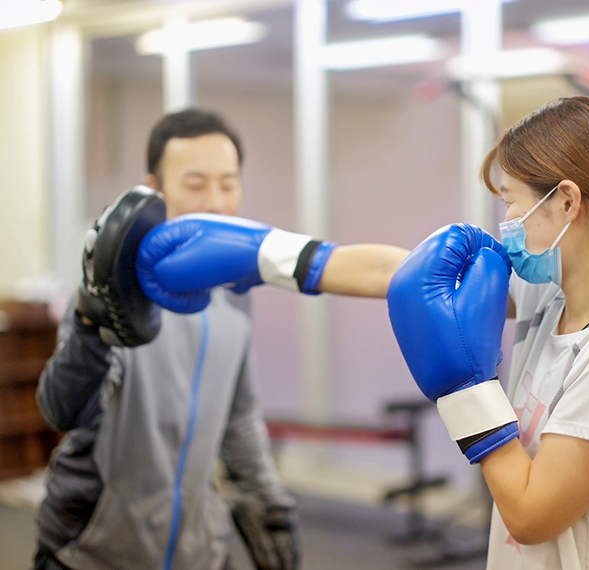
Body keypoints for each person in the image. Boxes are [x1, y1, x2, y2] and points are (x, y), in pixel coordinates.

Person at [35, 109, 408, 570]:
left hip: (198, 550)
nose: (216, 201)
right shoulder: (114, 283)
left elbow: (240, 412)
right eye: (195, 184)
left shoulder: (234, 289)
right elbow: (64, 410)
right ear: (155, 189)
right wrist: (93, 322)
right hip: (92, 551)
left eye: (228, 182)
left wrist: (270, 503)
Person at [386, 96, 589, 569]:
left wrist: (467, 393)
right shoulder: (552, 297)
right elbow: (396, 271)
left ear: (568, 201)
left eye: (511, 199)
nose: (506, 219)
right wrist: (288, 259)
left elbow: (532, 517)